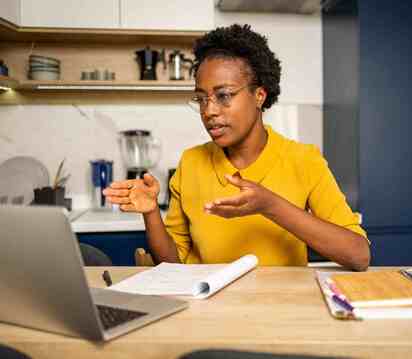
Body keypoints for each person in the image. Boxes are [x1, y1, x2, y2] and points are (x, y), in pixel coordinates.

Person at [103, 24, 370, 271]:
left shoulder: (303, 159)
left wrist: (269, 205)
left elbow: (358, 255)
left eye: (224, 96)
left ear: (259, 96)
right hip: (209, 312)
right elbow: (173, 264)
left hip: (282, 310)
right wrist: (151, 213)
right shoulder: (192, 162)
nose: (209, 111)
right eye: (201, 98)